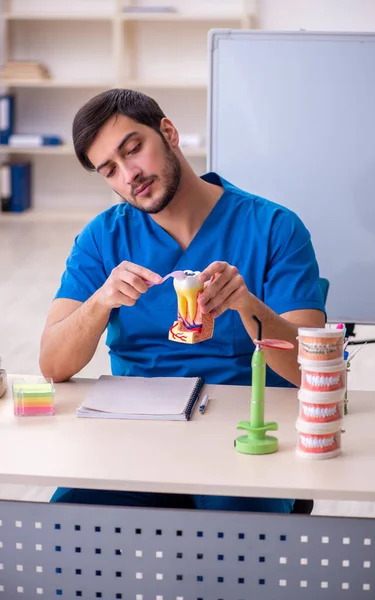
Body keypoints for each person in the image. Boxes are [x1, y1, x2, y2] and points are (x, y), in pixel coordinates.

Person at [40, 89, 325, 512]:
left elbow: (313, 370)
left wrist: (247, 305)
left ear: (169, 133)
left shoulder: (274, 228)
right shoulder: (103, 238)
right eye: (110, 170)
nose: (129, 175)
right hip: (137, 439)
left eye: (133, 149)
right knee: (71, 523)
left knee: (231, 536)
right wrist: (100, 302)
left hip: (244, 436)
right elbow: (53, 364)